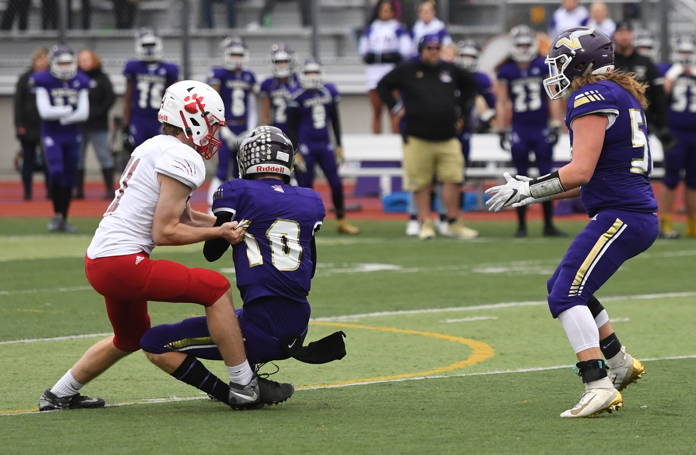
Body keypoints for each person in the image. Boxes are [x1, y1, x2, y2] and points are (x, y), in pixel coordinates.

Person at [38, 80, 293, 412]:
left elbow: (182, 213)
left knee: (130, 338)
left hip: (102, 259)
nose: (214, 134)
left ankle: (59, 394)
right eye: (213, 124)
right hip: (122, 261)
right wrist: (218, 234)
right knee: (215, 288)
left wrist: (221, 223)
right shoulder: (182, 156)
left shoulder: (155, 146)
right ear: (194, 118)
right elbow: (166, 231)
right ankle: (244, 384)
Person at [486, 27, 655, 418]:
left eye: (559, 62)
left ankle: (597, 383)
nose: (554, 71)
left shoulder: (590, 95)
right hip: (628, 212)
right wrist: (532, 188)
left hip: (622, 215)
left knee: (566, 294)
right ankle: (619, 362)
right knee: (565, 285)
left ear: (582, 63)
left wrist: (530, 190)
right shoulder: (617, 92)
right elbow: (588, 176)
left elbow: (579, 172)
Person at [140, 126, 346, 405]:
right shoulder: (310, 199)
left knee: (154, 342)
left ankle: (234, 392)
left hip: (261, 326)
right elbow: (309, 267)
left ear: (246, 160)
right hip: (298, 323)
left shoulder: (237, 190)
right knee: (230, 315)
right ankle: (252, 379)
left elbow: (212, 252)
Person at [377, 34, 479, 240]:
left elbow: (471, 84)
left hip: (448, 136)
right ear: (421, 50)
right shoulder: (408, 69)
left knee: (453, 178)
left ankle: (453, 222)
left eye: (436, 47)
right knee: (420, 182)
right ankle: (426, 222)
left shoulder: (449, 69)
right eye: (429, 48)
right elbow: (383, 85)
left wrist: (461, 110)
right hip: (417, 137)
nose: (433, 51)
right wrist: (395, 107)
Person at [495, 25, 566, 237]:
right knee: (518, 177)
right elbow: (502, 101)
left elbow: (553, 96)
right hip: (520, 128)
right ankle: (521, 225)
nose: (524, 48)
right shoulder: (506, 70)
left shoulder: (543, 65)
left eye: (527, 44)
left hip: (540, 127)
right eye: (520, 45)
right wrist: (501, 128)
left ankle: (548, 224)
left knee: (547, 176)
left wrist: (555, 123)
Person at [287, 59, 360, 235]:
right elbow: (291, 127)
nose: (312, 77)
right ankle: (305, 223)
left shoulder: (329, 92)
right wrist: (295, 151)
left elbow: (335, 120)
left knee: (336, 183)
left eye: (315, 72)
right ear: (302, 75)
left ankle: (342, 221)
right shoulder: (296, 96)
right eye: (309, 73)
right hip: (306, 146)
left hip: (325, 144)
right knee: (306, 186)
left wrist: (339, 145)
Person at [32, 46, 90, 232]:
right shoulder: (43, 80)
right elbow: (45, 112)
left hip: (72, 134)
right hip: (52, 133)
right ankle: (57, 214)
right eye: (61, 63)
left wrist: (63, 116)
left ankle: (63, 217)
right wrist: (67, 112)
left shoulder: (81, 80)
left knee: (70, 177)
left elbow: (84, 113)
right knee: (56, 171)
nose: (65, 67)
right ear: (53, 64)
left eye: (68, 63)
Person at [206, 37, 258, 206]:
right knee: (221, 171)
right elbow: (212, 103)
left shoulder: (249, 76)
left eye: (239, 54)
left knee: (241, 172)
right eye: (233, 54)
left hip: (243, 128)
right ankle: (209, 207)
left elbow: (252, 104)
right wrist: (222, 128)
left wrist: (250, 129)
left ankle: (238, 205)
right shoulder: (218, 74)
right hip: (224, 129)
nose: (236, 58)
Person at [613, 21, 671, 157]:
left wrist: (661, 124)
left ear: (632, 35)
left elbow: (658, 94)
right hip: (615, 120)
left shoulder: (646, 62)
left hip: (643, 121)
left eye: (627, 32)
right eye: (620, 33)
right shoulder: (609, 62)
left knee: (640, 161)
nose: (624, 36)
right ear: (614, 35)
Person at [659, 35, 696, 238]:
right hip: (675, 132)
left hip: (695, 132)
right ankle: (666, 222)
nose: (686, 56)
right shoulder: (668, 71)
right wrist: (673, 76)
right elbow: (661, 95)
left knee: (694, 181)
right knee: (671, 178)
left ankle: (693, 225)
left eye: (689, 52)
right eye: (682, 52)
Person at [358, 0, 412, 134]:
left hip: (391, 74)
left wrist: (387, 56)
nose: (385, 12)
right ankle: (376, 138)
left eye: (388, 9)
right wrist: (381, 56)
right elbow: (363, 51)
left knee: (394, 110)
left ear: (394, 12)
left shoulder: (398, 28)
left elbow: (406, 50)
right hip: (374, 75)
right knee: (376, 111)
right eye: (382, 9)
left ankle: (396, 138)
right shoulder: (371, 29)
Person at [123, 29, 179, 151]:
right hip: (139, 117)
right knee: (138, 153)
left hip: (161, 118)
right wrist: (125, 125)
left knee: (161, 153)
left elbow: (175, 98)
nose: (149, 49)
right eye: (145, 45)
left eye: (151, 45)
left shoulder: (169, 69)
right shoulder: (133, 67)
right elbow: (128, 98)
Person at [75, 49, 116, 200]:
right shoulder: (75, 77)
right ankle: (78, 190)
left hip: (98, 125)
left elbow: (109, 98)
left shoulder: (102, 78)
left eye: (86, 59)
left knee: (104, 156)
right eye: (81, 60)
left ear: (93, 60)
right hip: (79, 125)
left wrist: (97, 112)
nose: (83, 62)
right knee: (78, 158)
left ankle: (109, 189)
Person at [14, 48, 50, 201]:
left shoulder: (52, 78)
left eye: (44, 59)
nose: (42, 62)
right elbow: (18, 103)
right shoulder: (25, 78)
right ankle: (27, 192)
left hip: (47, 126)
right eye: (39, 59)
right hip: (28, 126)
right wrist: (19, 124)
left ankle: (51, 191)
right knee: (27, 160)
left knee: (49, 161)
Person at [259, 43, 300, 136]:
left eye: (284, 61)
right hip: (276, 130)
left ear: (291, 62)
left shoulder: (298, 82)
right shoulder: (268, 84)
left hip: (296, 130)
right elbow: (265, 113)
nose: (281, 65)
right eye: (278, 62)